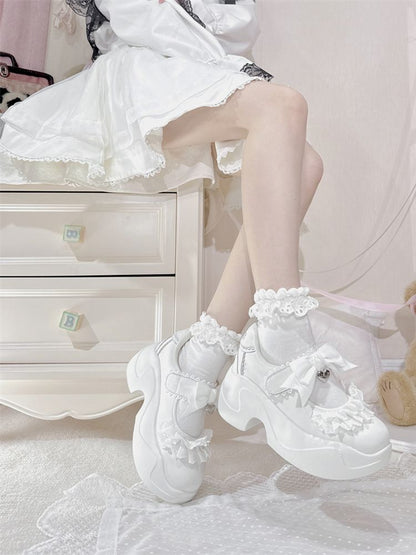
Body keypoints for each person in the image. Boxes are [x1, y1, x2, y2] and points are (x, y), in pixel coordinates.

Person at [0, 0, 391, 505]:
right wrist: (228, 73)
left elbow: (238, 29)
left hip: (196, 76)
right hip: (136, 77)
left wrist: (227, 71)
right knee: (282, 106)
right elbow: (139, 18)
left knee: (305, 164)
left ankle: (197, 361)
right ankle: (279, 345)